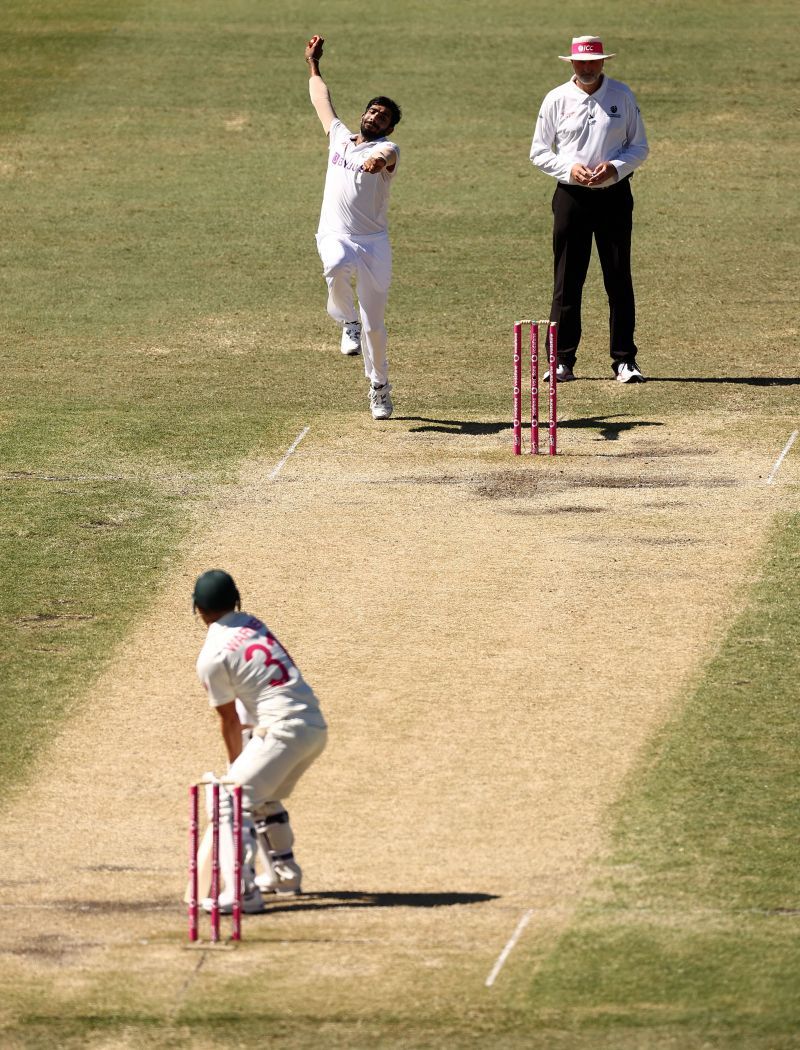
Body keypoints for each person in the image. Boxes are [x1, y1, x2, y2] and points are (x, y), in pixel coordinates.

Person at [193, 569, 328, 910]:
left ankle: (242, 892)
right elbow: (253, 697)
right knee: (261, 795)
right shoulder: (253, 625)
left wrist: (234, 765)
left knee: (229, 798)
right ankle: (284, 876)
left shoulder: (212, 655)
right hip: (312, 726)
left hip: (282, 730)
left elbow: (229, 720)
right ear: (236, 600)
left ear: (197, 609)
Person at [530, 35, 649, 383]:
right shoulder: (556, 98)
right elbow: (538, 151)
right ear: (571, 63)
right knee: (567, 280)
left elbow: (639, 147)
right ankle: (562, 361)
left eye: (593, 62)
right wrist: (569, 170)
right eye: (581, 62)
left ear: (602, 63)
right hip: (572, 198)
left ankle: (625, 361)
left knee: (618, 277)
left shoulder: (621, 95)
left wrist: (615, 167)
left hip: (614, 196)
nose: (587, 67)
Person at [305, 33, 402, 420]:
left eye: (384, 116)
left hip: (373, 243)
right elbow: (321, 100)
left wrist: (375, 162)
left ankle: (379, 387)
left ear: (390, 127)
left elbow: (384, 157)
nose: (376, 116)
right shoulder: (340, 138)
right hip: (335, 233)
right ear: (364, 113)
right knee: (335, 263)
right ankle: (347, 322)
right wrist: (313, 64)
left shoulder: (390, 149)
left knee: (375, 325)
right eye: (373, 111)